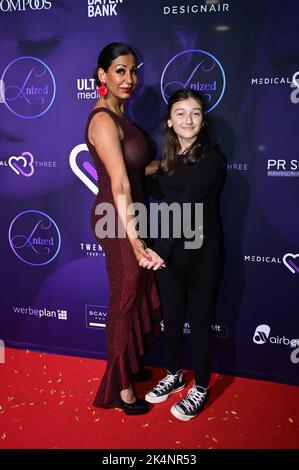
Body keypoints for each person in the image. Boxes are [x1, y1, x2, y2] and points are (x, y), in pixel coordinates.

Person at [85, 42, 163, 415]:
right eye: (120, 70)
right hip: (115, 220)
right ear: (103, 76)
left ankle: (128, 364)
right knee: (125, 299)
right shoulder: (102, 119)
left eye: (133, 70)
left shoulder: (122, 115)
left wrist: (165, 166)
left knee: (137, 292)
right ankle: (120, 388)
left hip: (130, 214)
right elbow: (118, 184)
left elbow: (134, 171)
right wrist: (134, 241)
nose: (129, 79)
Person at [139, 89, 225, 421]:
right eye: (180, 113)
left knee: (200, 324)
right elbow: (146, 188)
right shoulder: (167, 162)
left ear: (203, 121)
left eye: (196, 113)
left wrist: (159, 250)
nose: (188, 120)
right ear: (169, 121)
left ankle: (200, 387)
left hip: (202, 253)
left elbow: (188, 204)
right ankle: (174, 375)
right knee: (171, 321)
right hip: (171, 252)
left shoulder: (212, 158)